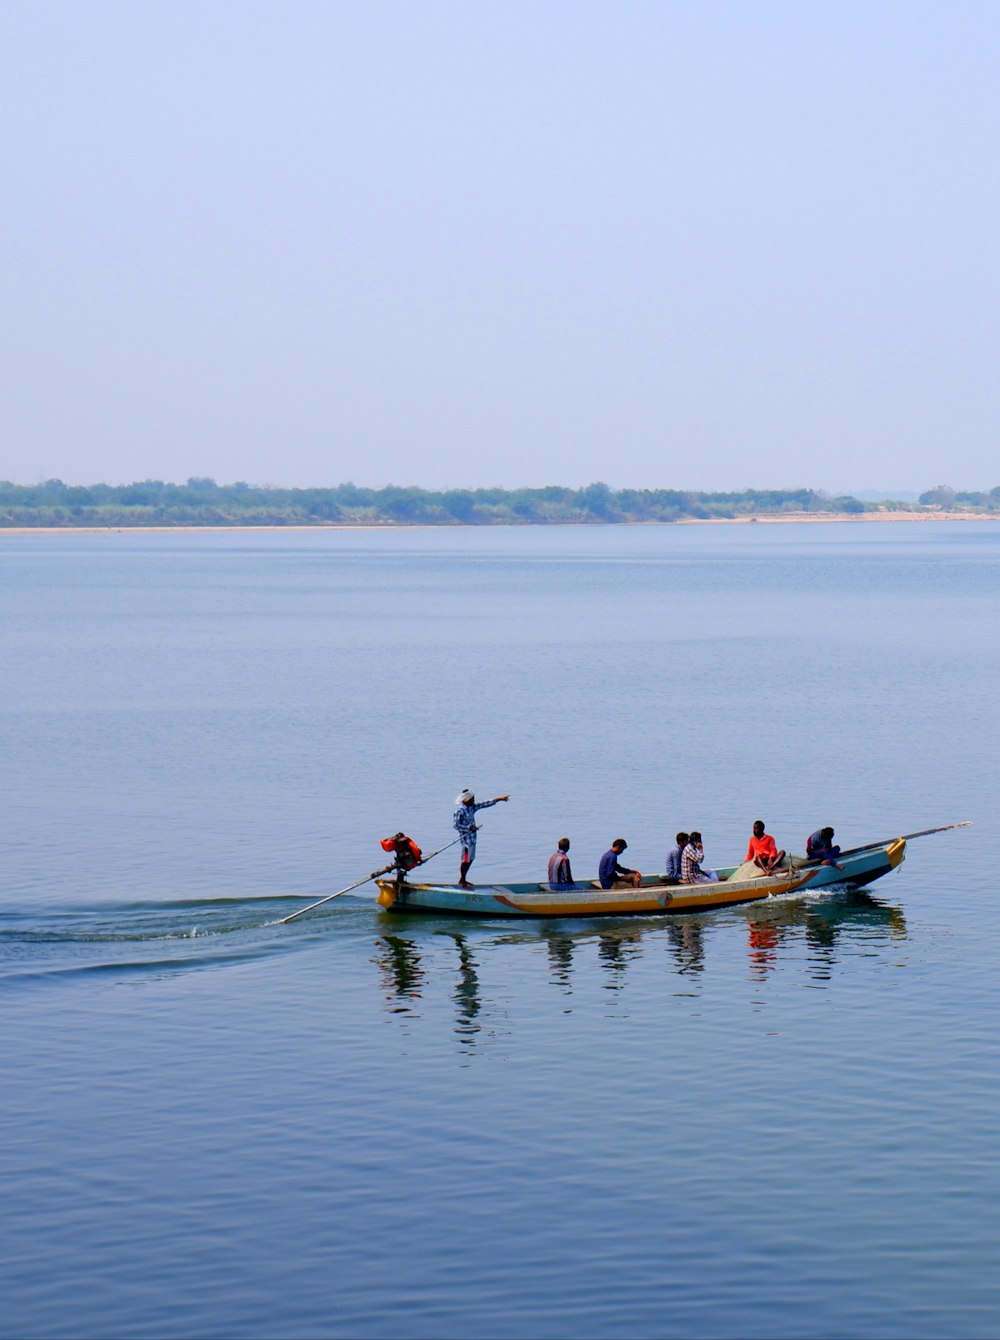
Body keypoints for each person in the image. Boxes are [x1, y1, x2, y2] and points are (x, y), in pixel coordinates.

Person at [453, 788, 510, 887]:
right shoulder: (460, 810)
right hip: (466, 840)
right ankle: (462, 880)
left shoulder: (471, 807)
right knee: (465, 860)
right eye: (472, 798)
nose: (474, 800)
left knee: (470, 859)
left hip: (473, 839)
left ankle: (463, 879)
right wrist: (469, 828)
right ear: (467, 799)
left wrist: (499, 799)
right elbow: (456, 825)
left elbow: (485, 804)